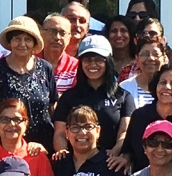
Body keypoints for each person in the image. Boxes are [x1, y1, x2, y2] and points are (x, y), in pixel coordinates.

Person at [51, 34, 134, 162]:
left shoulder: (123, 96)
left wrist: (115, 152)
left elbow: (125, 132)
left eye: (99, 60)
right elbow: (60, 133)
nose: (92, 64)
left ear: (108, 62)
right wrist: (65, 154)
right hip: (76, 163)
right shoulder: (69, 97)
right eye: (87, 60)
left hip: (110, 163)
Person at [0, 16, 57, 148]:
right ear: (9, 42)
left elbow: (52, 106)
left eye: (27, 39)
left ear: (34, 43)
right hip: (9, 143)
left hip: (43, 143)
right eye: (17, 39)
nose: (22, 44)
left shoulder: (46, 68)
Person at [50, 106, 127, 176]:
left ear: (98, 131)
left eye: (88, 126)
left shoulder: (113, 166)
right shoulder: (58, 163)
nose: (82, 132)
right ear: (67, 133)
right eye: (75, 127)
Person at [120, 40, 169, 108]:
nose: (151, 58)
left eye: (156, 54)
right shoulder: (124, 87)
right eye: (145, 54)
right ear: (137, 59)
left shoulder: (170, 87)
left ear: (164, 58)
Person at [40, 13, 78, 93]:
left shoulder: (76, 67)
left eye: (62, 33)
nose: (57, 37)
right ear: (41, 34)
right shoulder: (30, 63)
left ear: (69, 37)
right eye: (52, 31)